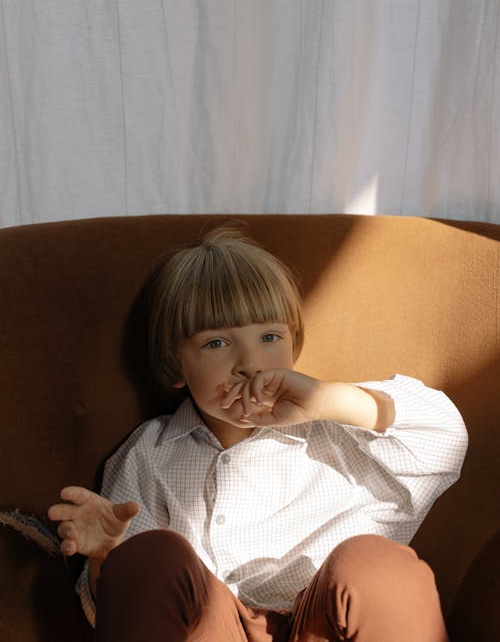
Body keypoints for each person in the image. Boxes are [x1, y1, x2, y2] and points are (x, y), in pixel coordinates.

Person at [48, 227, 468, 642]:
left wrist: (329, 400)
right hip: (210, 629)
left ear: (294, 345)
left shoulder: (340, 432)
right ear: (176, 365)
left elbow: (445, 437)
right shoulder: (148, 454)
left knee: (378, 563)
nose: (250, 364)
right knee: (149, 554)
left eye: (269, 337)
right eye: (216, 343)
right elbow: (121, 607)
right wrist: (108, 558)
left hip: (324, 626)